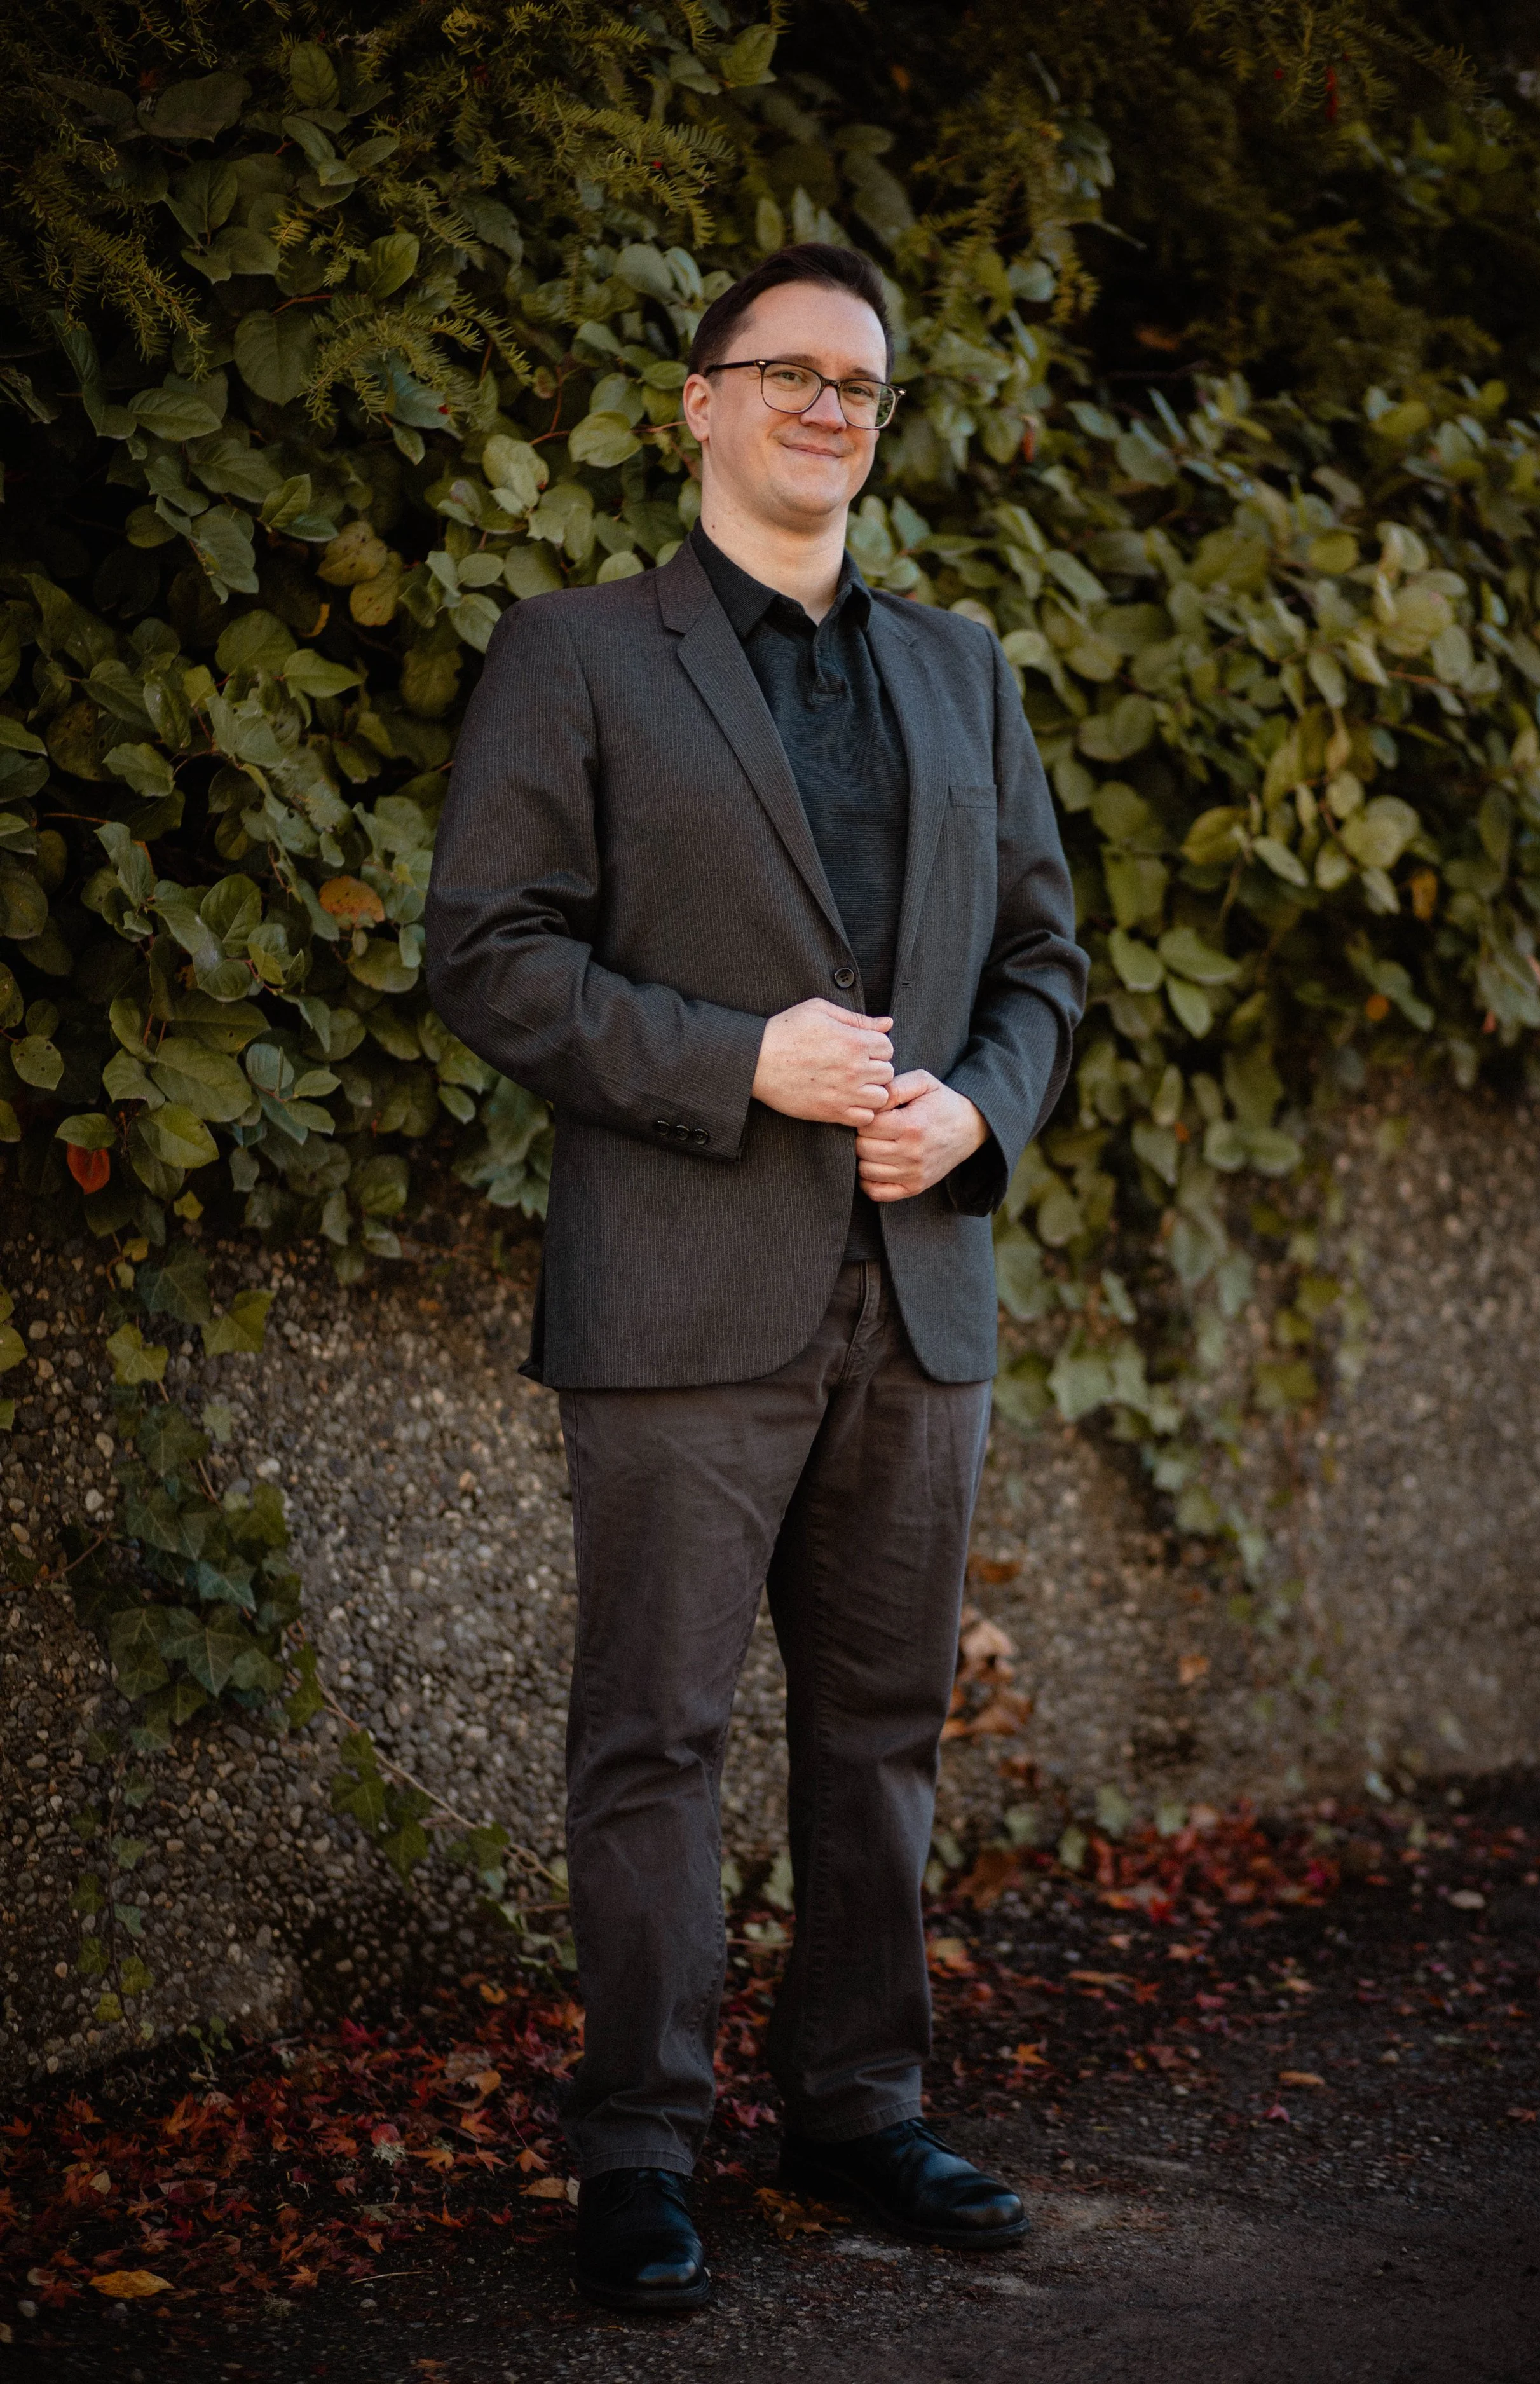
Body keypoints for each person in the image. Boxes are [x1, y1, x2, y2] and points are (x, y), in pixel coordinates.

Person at [425, 241, 1088, 2313]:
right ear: (695, 402)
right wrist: (743, 1063)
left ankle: (857, 2106)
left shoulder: (964, 671)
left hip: (917, 1288)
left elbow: (1046, 963)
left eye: (860, 384)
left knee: (881, 1729)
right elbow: (488, 955)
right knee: (654, 1733)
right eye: (783, 370)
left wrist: (976, 1107)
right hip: (680, 1289)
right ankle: (636, 2147)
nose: (825, 405)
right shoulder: (576, 652)